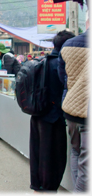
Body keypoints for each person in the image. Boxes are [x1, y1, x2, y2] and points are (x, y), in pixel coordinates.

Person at [29, 30, 75, 192]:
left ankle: (36, 186)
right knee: (53, 156)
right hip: (53, 116)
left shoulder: (42, 61)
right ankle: (49, 189)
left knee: (37, 153)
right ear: (67, 46)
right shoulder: (60, 64)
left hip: (36, 114)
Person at [58, 21, 89, 192]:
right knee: (87, 162)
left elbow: (63, 78)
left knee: (76, 152)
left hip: (70, 109)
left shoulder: (68, 45)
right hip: (86, 110)